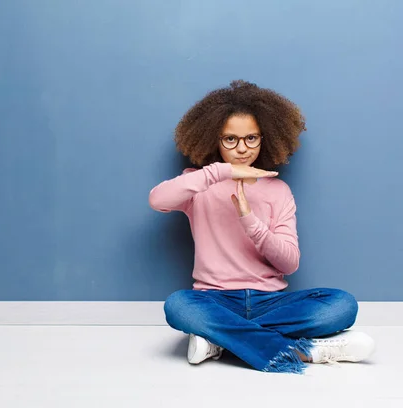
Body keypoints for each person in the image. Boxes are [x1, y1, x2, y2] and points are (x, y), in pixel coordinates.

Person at [148, 80, 375, 374]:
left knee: (342, 305)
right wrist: (222, 171)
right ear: (214, 139)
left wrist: (250, 221)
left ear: (264, 137)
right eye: (230, 139)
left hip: (273, 301)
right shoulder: (200, 182)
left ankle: (219, 341)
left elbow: (289, 263)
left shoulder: (278, 191)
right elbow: (158, 200)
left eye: (251, 138)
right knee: (178, 305)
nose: (242, 149)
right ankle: (306, 351)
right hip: (214, 299)